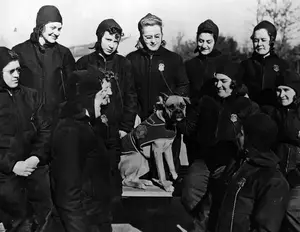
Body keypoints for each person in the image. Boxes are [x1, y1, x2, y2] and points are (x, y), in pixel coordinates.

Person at [12, 5, 75, 228]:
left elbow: (71, 90)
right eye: (53, 27)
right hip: (27, 130)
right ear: (40, 26)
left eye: (60, 28)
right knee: (29, 191)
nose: (57, 32)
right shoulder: (19, 51)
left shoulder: (64, 54)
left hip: (57, 129)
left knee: (57, 191)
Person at [179, 62, 259, 232]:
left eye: (223, 80)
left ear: (234, 82)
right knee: (189, 193)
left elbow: (254, 136)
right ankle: (204, 222)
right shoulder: (206, 101)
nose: (218, 85)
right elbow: (189, 129)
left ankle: (206, 225)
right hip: (205, 158)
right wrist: (176, 120)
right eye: (216, 81)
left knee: (216, 200)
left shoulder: (245, 105)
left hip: (230, 161)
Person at [76, 19, 137, 204]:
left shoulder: (123, 64)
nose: (111, 45)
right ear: (99, 37)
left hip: (114, 131)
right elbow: (75, 97)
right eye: (108, 39)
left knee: (111, 178)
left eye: (115, 41)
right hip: (90, 130)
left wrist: (125, 127)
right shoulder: (84, 63)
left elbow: (131, 97)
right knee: (88, 178)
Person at [126, 13, 189, 175]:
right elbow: (128, 91)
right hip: (143, 123)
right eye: (148, 37)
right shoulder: (132, 60)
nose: (153, 40)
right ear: (141, 36)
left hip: (167, 123)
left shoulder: (173, 59)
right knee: (143, 168)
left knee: (168, 171)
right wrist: (134, 114)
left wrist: (173, 107)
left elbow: (183, 85)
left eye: (157, 36)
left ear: (162, 34)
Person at [51, 69, 113, 232]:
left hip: (96, 218)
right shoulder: (69, 131)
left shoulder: (89, 125)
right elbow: (67, 195)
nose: (108, 100)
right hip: (82, 222)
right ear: (87, 97)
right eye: (103, 94)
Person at [0, 47, 51, 231]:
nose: (16, 75)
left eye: (18, 70)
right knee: (20, 221)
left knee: (46, 213)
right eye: (11, 71)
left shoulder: (31, 96)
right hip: (6, 173)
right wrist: (12, 166)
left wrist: (36, 157)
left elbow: (45, 130)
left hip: (34, 167)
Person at [215, 113, 290, 232]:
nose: (237, 136)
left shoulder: (273, 181)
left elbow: (266, 227)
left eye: (241, 133)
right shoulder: (237, 164)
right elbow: (213, 205)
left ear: (252, 139)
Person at [184, 19, 232, 165]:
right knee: (195, 161)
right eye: (200, 41)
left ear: (215, 41)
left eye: (208, 41)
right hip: (195, 119)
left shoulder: (224, 62)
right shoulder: (189, 64)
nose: (204, 45)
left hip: (217, 118)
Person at [261, 70, 300, 231]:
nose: (281, 94)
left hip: (298, 176)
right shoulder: (272, 112)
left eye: (286, 90)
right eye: (279, 90)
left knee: (292, 209)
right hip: (278, 174)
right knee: (267, 211)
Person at [238, 20, 290, 107]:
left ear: (271, 40)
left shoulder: (282, 65)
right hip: (250, 112)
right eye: (256, 40)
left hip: (275, 113)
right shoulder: (245, 65)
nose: (259, 44)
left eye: (263, 40)